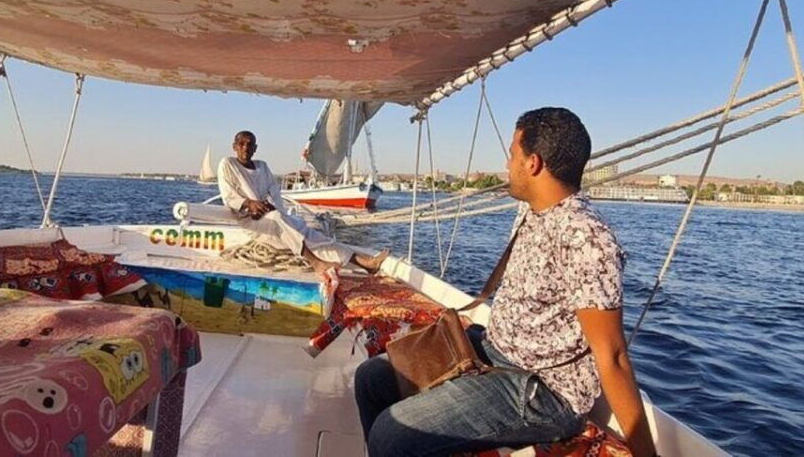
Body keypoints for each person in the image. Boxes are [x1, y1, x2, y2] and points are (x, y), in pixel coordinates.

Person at [354, 108, 658, 457]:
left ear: (533, 163)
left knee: (392, 436)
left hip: (544, 391)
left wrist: (646, 454)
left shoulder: (586, 238)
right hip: (495, 350)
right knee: (371, 379)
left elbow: (614, 355)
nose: (506, 165)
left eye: (512, 154)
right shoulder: (532, 210)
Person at [218, 130, 388, 275]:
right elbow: (229, 196)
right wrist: (250, 204)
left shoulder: (262, 166)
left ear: (255, 148)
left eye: (249, 144)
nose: (245, 148)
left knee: (310, 233)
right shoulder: (227, 164)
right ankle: (316, 263)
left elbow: (275, 192)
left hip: (268, 215)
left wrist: (274, 208)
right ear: (234, 146)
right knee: (278, 219)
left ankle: (365, 263)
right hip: (249, 221)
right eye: (241, 144)